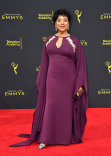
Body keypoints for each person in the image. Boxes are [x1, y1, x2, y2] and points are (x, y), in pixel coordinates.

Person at [9, 8, 89, 149]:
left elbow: (81, 66)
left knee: (66, 107)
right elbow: (44, 63)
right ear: (55, 23)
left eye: (65, 20)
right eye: (59, 20)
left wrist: (79, 86)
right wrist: (41, 81)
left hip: (68, 81)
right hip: (51, 80)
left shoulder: (75, 41)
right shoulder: (49, 40)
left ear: (69, 23)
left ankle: (65, 137)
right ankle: (45, 138)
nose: (62, 23)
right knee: (50, 107)